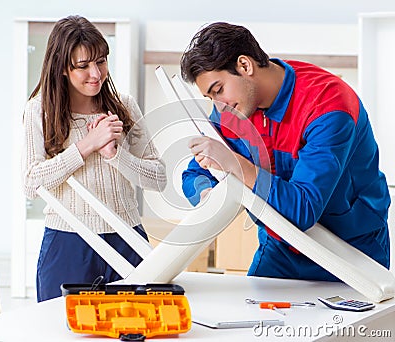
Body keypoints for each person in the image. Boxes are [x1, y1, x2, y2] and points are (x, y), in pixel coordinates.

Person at [180, 22, 391, 281]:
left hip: (352, 249)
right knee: (253, 319)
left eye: (218, 90)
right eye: (210, 98)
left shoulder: (328, 106)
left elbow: (303, 209)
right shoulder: (232, 108)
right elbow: (194, 173)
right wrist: (208, 194)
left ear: (245, 66)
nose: (218, 107)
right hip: (280, 247)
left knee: (346, 323)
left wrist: (236, 166)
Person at [22, 15, 167, 302]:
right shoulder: (39, 111)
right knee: (61, 330)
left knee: (136, 328)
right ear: (62, 68)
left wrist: (115, 155)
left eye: (101, 61)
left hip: (128, 238)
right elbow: (30, 183)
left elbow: (158, 178)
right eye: (83, 66)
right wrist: (87, 145)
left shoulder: (124, 106)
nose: (96, 73)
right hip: (68, 242)